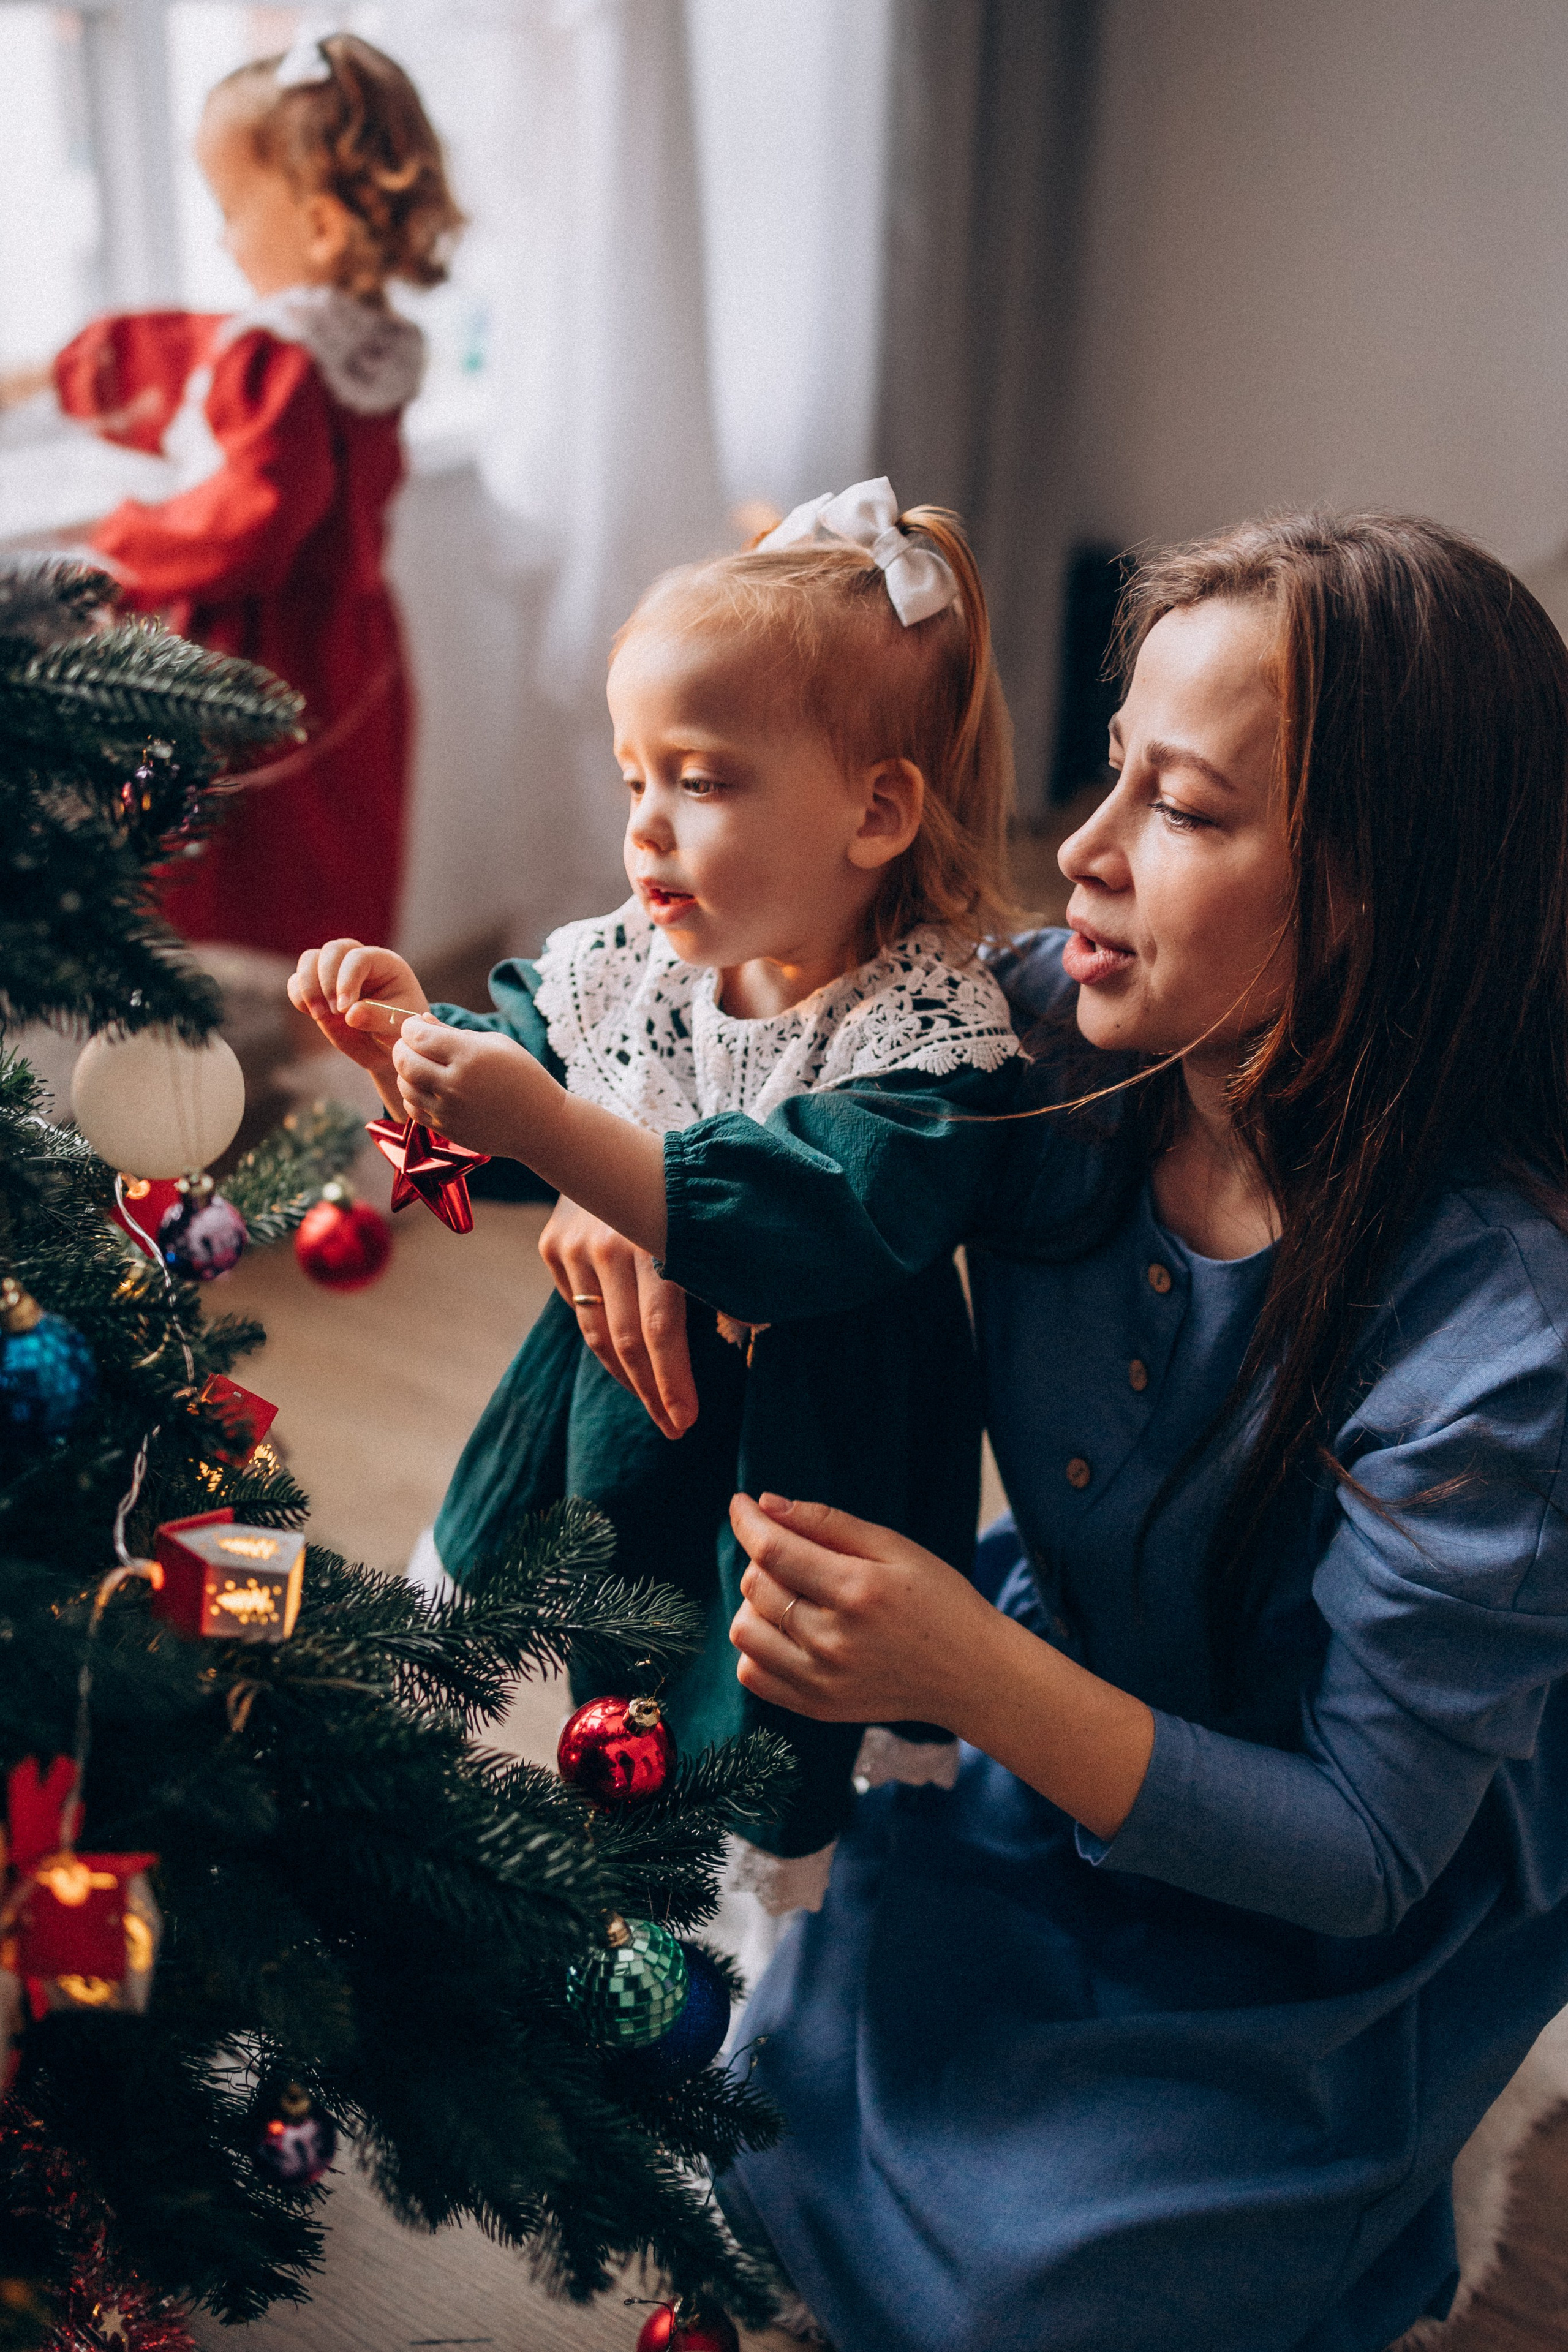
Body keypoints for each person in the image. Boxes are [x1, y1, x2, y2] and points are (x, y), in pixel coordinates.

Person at [542, 512, 1568, 2352]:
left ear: (1374, 891)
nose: (1076, 857)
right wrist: (627, 1183)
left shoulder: (1501, 1341)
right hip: (1052, 1695)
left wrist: (967, 1670)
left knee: (1046, 2293)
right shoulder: (1031, 1048)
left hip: (1320, 1888)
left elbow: (1364, 1847)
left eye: (1181, 810)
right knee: (764, 2108)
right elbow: (715, 1015)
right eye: (1112, 774)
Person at [288, 483, 1025, 1949]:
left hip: (812, 1457)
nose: (644, 829)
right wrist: (409, 1049)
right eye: (635, 778)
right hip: (620, 1396)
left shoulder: (930, 1039)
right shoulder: (632, 966)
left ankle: (756, 1984)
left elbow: (812, 1224)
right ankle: (582, 1861)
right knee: (610, 1620)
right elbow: (508, 1106)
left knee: (751, 1720)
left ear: (875, 811)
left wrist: (564, 1137)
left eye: (702, 781)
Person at [29, 33, 462, 956]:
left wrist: (127, 541)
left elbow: (254, 519)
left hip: (263, 656)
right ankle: (329, 1037)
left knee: (237, 865)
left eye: (230, 208)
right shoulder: (369, 339)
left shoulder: (282, 352)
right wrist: (49, 372)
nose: (222, 237)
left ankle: (239, 1057)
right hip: (349, 644)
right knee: (338, 865)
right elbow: (187, 356)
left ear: (318, 228)